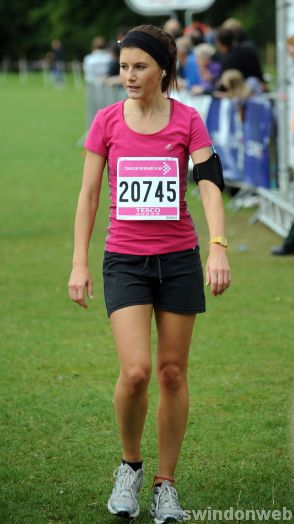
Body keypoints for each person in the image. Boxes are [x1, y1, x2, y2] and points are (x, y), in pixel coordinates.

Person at [68, 24, 231, 523]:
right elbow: (90, 195)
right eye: (123, 67)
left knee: (172, 372)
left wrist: (218, 247)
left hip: (179, 258)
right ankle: (130, 466)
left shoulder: (188, 121)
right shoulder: (106, 121)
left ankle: (165, 484)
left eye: (139, 66)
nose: (129, 76)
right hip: (126, 260)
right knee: (136, 371)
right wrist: (79, 261)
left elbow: (208, 185)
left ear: (163, 68)